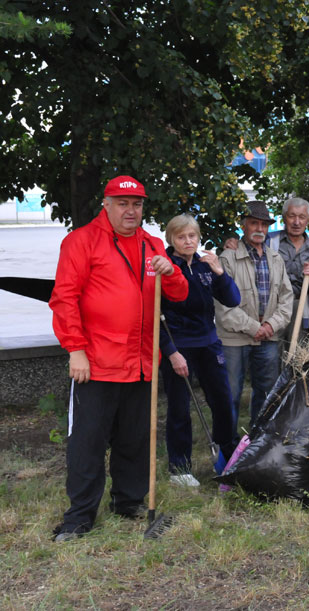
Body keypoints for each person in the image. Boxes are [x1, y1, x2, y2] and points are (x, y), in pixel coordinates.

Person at [48, 175, 189, 541]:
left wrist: (171, 271)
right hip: (95, 364)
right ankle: (79, 517)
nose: (131, 210)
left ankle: (127, 502)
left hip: (142, 365)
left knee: (135, 440)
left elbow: (179, 294)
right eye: (123, 203)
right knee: (87, 443)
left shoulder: (152, 244)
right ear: (106, 204)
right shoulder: (81, 242)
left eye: (137, 204)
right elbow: (64, 299)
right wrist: (75, 350)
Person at [159, 214, 241, 487]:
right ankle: (179, 468)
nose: (187, 241)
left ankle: (228, 458)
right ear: (171, 239)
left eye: (192, 236)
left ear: (198, 237)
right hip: (179, 345)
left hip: (209, 342)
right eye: (181, 237)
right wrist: (171, 352)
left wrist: (220, 272)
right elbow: (154, 316)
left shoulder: (207, 266)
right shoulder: (166, 267)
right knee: (180, 407)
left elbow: (232, 300)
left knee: (223, 401)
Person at [215, 201, 293, 432]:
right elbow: (222, 305)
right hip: (234, 338)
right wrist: (253, 327)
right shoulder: (227, 258)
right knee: (230, 393)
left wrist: (270, 325)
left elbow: (286, 298)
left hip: (268, 337)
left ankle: (258, 440)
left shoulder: (276, 258)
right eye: (253, 223)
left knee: (267, 391)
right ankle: (226, 445)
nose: (259, 228)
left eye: (263, 224)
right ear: (243, 225)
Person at [224, 197, 309, 341]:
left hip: (300, 307)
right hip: (272, 309)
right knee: (271, 351)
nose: (296, 222)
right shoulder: (268, 240)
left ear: (308, 221)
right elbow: (247, 242)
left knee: (296, 352)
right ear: (284, 218)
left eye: (302, 217)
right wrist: (232, 241)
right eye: (292, 216)